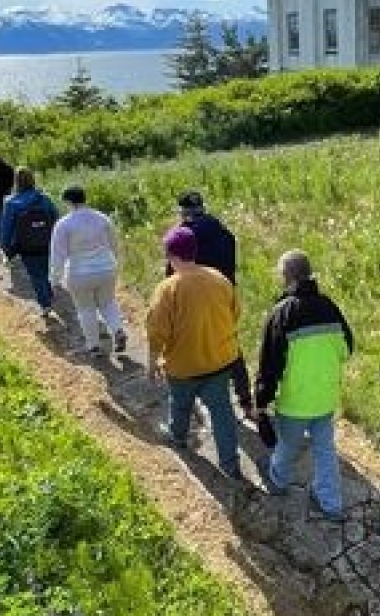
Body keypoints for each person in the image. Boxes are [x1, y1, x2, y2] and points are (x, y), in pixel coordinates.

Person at [253, 250, 353, 521]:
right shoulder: (330, 307)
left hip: (295, 401)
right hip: (325, 397)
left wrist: (260, 403)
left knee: (287, 445)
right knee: (325, 450)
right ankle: (330, 503)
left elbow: (269, 366)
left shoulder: (282, 313)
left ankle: (278, 480)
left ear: (286, 277)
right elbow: (347, 349)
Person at [146, 226, 243, 480]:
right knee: (222, 413)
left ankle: (178, 438)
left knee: (180, 406)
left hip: (183, 367)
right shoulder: (219, 279)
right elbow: (235, 313)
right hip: (220, 361)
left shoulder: (167, 289)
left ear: (170, 256)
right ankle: (230, 464)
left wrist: (152, 361)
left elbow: (157, 331)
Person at [168, 190, 255, 419]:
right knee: (230, 343)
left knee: (194, 347)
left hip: (192, 300)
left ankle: (195, 403)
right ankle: (246, 401)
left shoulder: (182, 237)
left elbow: (173, 273)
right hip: (224, 296)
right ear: (202, 208)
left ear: (183, 211)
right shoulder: (225, 233)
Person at [49, 185, 126, 356]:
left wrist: (54, 279)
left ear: (68, 202)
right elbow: (114, 245)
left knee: (86, 309)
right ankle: (118, 330)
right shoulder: (102, 218)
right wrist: (116, 264)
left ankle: (94, 346)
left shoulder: (64, 224)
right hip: (106, 268)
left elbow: (58, 255)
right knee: (108, 302)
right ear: (84, 199)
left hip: (79, 272)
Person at [0, 168, 59, 316]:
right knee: (46, 270)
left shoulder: (11, 203)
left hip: (27, 247)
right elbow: (56, 217)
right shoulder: (44, 198)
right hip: (47, 242)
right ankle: (49, 293)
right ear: (33, 179)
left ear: (16, 182)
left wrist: (6, 247)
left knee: (35, 275)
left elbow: (6, 228)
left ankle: (45, 304)